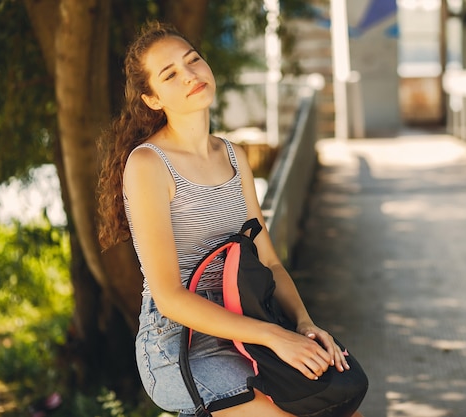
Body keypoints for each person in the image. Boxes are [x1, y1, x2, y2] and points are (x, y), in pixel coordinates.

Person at [97, 21, 365, 417]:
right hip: (181, 344)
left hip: (248, 320)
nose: (190, 75)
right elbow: (170, 297)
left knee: (345, 407)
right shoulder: (148, 164)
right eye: (170, 74)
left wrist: (304, 324)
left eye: (193, 60)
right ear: (152, 99)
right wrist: (276, 337)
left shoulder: (234, 156)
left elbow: (270, 262)